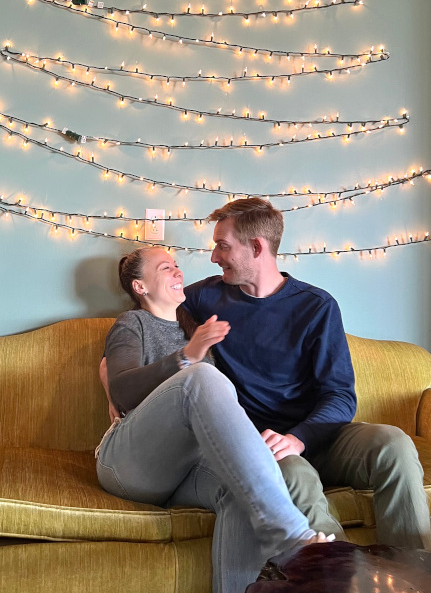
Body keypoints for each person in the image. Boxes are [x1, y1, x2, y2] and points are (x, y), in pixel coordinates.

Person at [179, 197, 431, 551]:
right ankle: (340, 576)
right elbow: (150, 306)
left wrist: (299, 437)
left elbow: (341, 395)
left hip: (323, 438)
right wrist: (116, 371)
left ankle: (411, 573)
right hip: (261, 445)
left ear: (256, 247)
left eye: (222, 246)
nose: (213, 256)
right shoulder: (208, 296)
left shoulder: (316, 306)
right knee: (295, 473)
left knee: (396, 445)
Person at [96, 246, 333, 593]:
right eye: (165, 268)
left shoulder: (197, 329)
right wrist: (187, 358)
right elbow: (122, 390)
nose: (178, 272)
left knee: (242, 490)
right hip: (129, 464)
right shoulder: (133, 323)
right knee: (200, 378)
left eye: (177, 266)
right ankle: (291, 537)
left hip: (187, 470)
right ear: (140, 287)